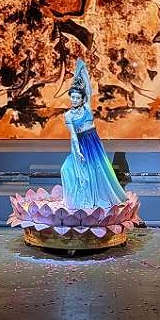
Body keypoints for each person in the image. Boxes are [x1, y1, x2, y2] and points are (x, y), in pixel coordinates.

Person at [60, 59, 128, 210]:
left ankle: (99, 196)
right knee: (66, 170)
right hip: (80, 143)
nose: (74, 100)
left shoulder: (86, 107)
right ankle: (78, 199)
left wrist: (82, 71)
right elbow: (73, 135)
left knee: (97, 170)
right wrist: (77, 151)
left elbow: (88, 89)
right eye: (72, 97)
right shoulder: (68, 115)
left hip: (92, 141)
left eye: (77, 97)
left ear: (82, 99)